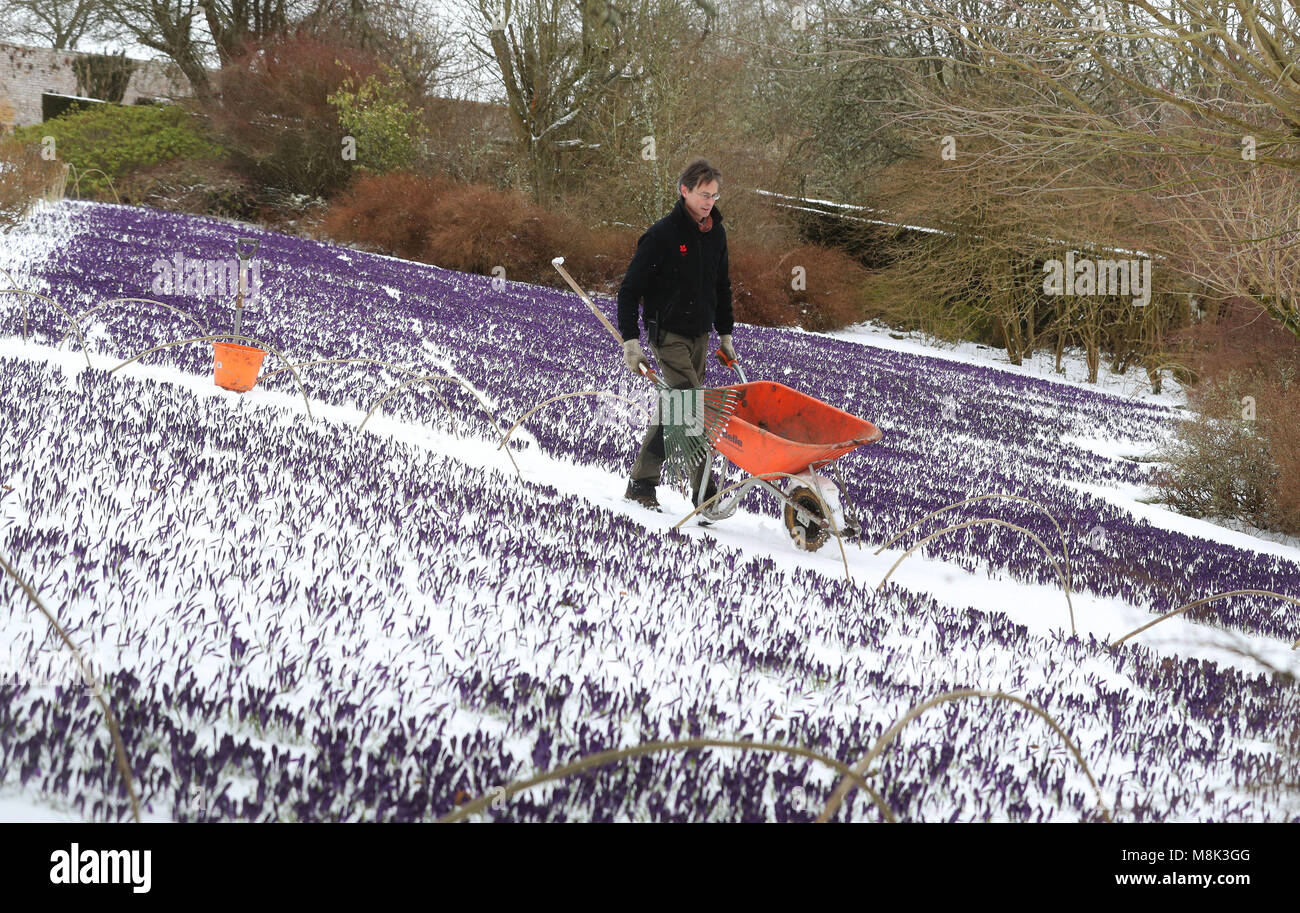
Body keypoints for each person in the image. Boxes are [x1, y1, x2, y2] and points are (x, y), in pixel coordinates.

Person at [616, 158, 737, 510]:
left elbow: (722, 285)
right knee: (691, 408)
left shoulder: (716, 233)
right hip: (668, 335)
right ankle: (705, 495)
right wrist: (631, 342)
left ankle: (641, 482)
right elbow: (628, 291)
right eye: (703, 194)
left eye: (714, 195)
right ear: (684, 191)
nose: (709, 202)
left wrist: (725, 336)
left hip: (700, 336)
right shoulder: (662, 235)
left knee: (677, 409)